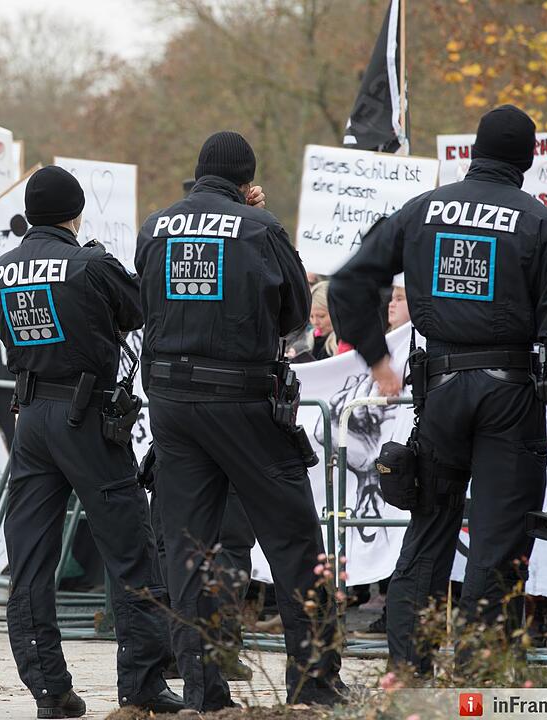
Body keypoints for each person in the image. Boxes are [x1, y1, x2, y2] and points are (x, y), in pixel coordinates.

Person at [329, 104, 547, 675]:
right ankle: (481, 678)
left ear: (475, 151)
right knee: (498, 542)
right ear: (528, 160)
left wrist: (378, 360)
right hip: (510, 396)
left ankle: (408, 674)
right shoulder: (544, 224)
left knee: (429, 532)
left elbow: (349, 281)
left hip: (441, 392)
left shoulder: (422, 210)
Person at [136, 131, 343, 709]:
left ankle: (203, 690)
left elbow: (145, 303)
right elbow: (296, 314)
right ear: (247, 179)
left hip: (172, 404)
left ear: (200, 170)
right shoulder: (260, 227)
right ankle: (314, 682)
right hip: (245, 402)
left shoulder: (155, 227)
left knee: (188, 548)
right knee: (294, 540)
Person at [0, 165, 183, 718]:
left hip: (31, 419)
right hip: (87, 417)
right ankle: (142, 685)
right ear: (76, 213)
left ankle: (49, 691)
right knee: (130, 550)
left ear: (30, 214)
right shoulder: (90, 263)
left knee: (29, 558)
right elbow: (138, 310)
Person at [309, 281, 338, 360]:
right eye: (311, 316)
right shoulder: (308, 340)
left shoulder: (345, 343)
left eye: (321, 316)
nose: (315, 322)